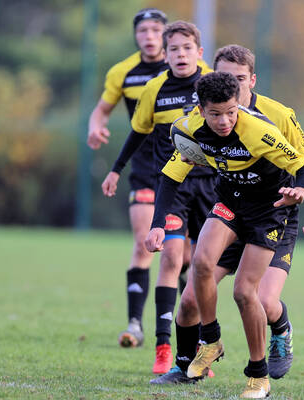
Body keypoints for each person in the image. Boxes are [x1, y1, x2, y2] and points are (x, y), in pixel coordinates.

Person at [149, 44, 304, 385]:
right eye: (224, 78)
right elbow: (172, 174)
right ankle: (192, 359)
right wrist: (157, 223)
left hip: (272, 211)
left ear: (251, 81)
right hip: (232, 205)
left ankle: (277, 335)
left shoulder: (269, 120)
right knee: (189, 297)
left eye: (239, 79)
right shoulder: (197, 122)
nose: (232, 86)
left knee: (257, 298)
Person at [100, 21, 213, 374]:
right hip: (173, 187)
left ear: (200, 52)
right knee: (170, 259)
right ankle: (164, 347)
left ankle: (201, 349)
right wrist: (116, 169)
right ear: (164, 55)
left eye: (187, 48)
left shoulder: (212, 84)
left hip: (211, 187)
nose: (180, 55)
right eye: (174, 49)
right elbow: (137, 134)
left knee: (203, 269)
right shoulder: (154, 89)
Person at [87, 8, 169, 349]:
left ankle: (181, 331)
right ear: (136, 35)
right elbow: (102, 109)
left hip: (187, 174)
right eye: (143, 31)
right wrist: (95, 125)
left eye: (155, 30)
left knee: (186, 257)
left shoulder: (189, 68)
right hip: (144, 170)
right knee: (143, 243)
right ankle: (135, 324)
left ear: (166, 34)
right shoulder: (123, 72)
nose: (149, 36)